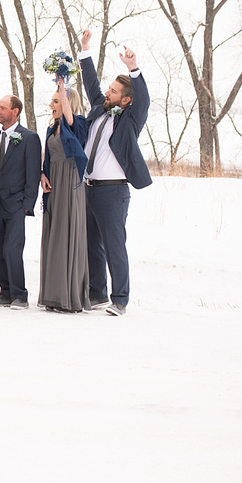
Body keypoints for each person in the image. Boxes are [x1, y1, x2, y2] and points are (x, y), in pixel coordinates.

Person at [79, 30, 152, 316]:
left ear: (125, 100)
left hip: (113, 191)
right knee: (91, 244)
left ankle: (119, 298)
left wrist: (133, 69)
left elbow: (143, 100)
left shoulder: (130, 120)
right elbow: (91, 85)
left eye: (113, 91)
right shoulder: (99, 109)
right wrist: (85, 50)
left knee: (113, 245)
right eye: (108, 89)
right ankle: (96, 294)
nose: (107, 93)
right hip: (89, 188)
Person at [0, 95, 42, 309]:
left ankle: (20, 295)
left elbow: (33, 173)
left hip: (17, 204)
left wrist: (28, 204)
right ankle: (5, 292)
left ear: (15, 111)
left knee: (12, 249)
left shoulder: (29, 138)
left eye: (3, 108)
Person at [39, 76, 90, 313]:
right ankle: (53, 294)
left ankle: (68, 295)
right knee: (54, 233)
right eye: (52, 100)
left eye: (56, 100)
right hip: (54, 182)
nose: (52, 104)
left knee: (66, 231)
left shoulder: (78, 122)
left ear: (67, 102)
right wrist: (43, 175)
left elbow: (69, 118)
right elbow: (47, 156)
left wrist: (63, 87)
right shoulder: (51, 127)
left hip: (70, 182)